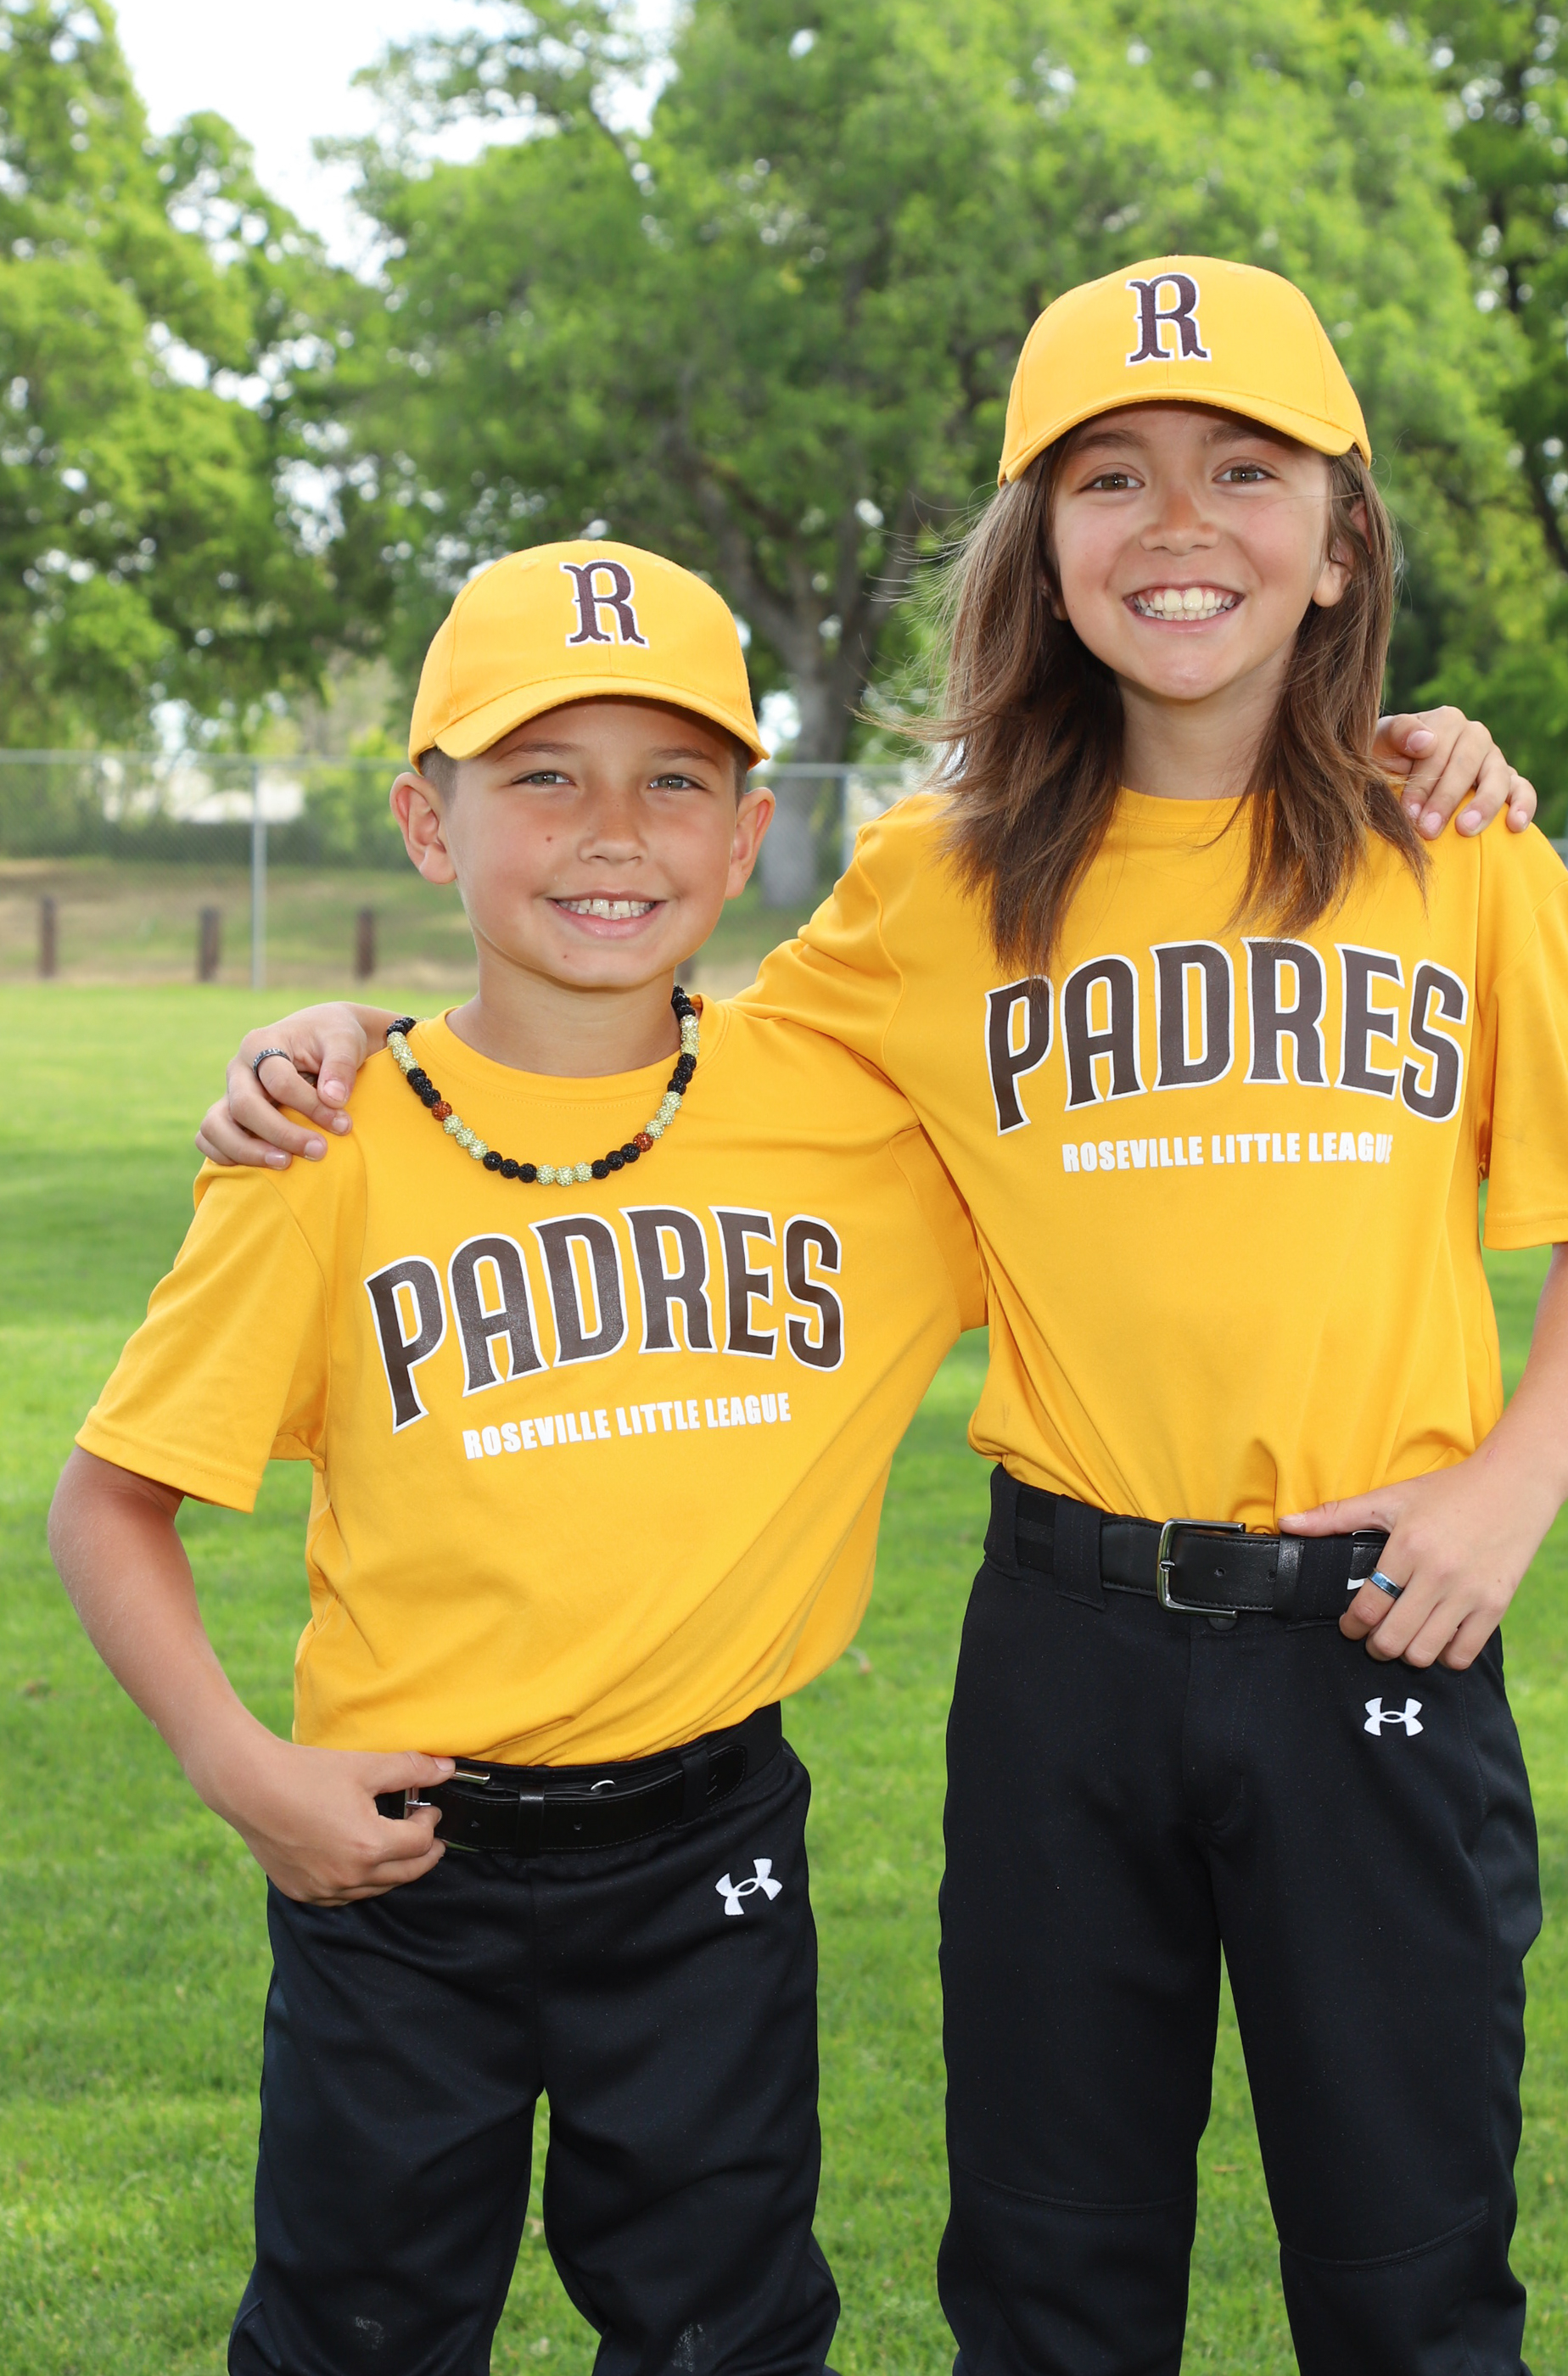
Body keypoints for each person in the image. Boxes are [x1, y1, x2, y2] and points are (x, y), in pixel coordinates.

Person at [194, 261, 1568, 2376]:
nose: (1177, 523)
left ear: (1342, 541)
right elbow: (632, 1026)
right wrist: (358, 1040)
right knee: (1051, 2277)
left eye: (1243, 472)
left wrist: (1511, 1490)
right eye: (1109, 477)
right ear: (1039, 551)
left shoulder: (1466, 857)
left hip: (1371, 1633)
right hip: (1067, 1647)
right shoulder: (935, 881)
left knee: (1409, 2276)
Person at [48, 541, 983, 2376]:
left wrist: (1369, 751)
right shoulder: (325, 1142)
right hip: (401, 1857)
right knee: (359, 2329)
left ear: (748, 833)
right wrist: (243, 1772)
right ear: (428, 822)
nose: (611, 831)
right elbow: (112, 1499)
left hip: (709, 1837)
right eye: (543, 775)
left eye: (674, 780)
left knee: (727, 2330)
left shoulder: (856, 1125)